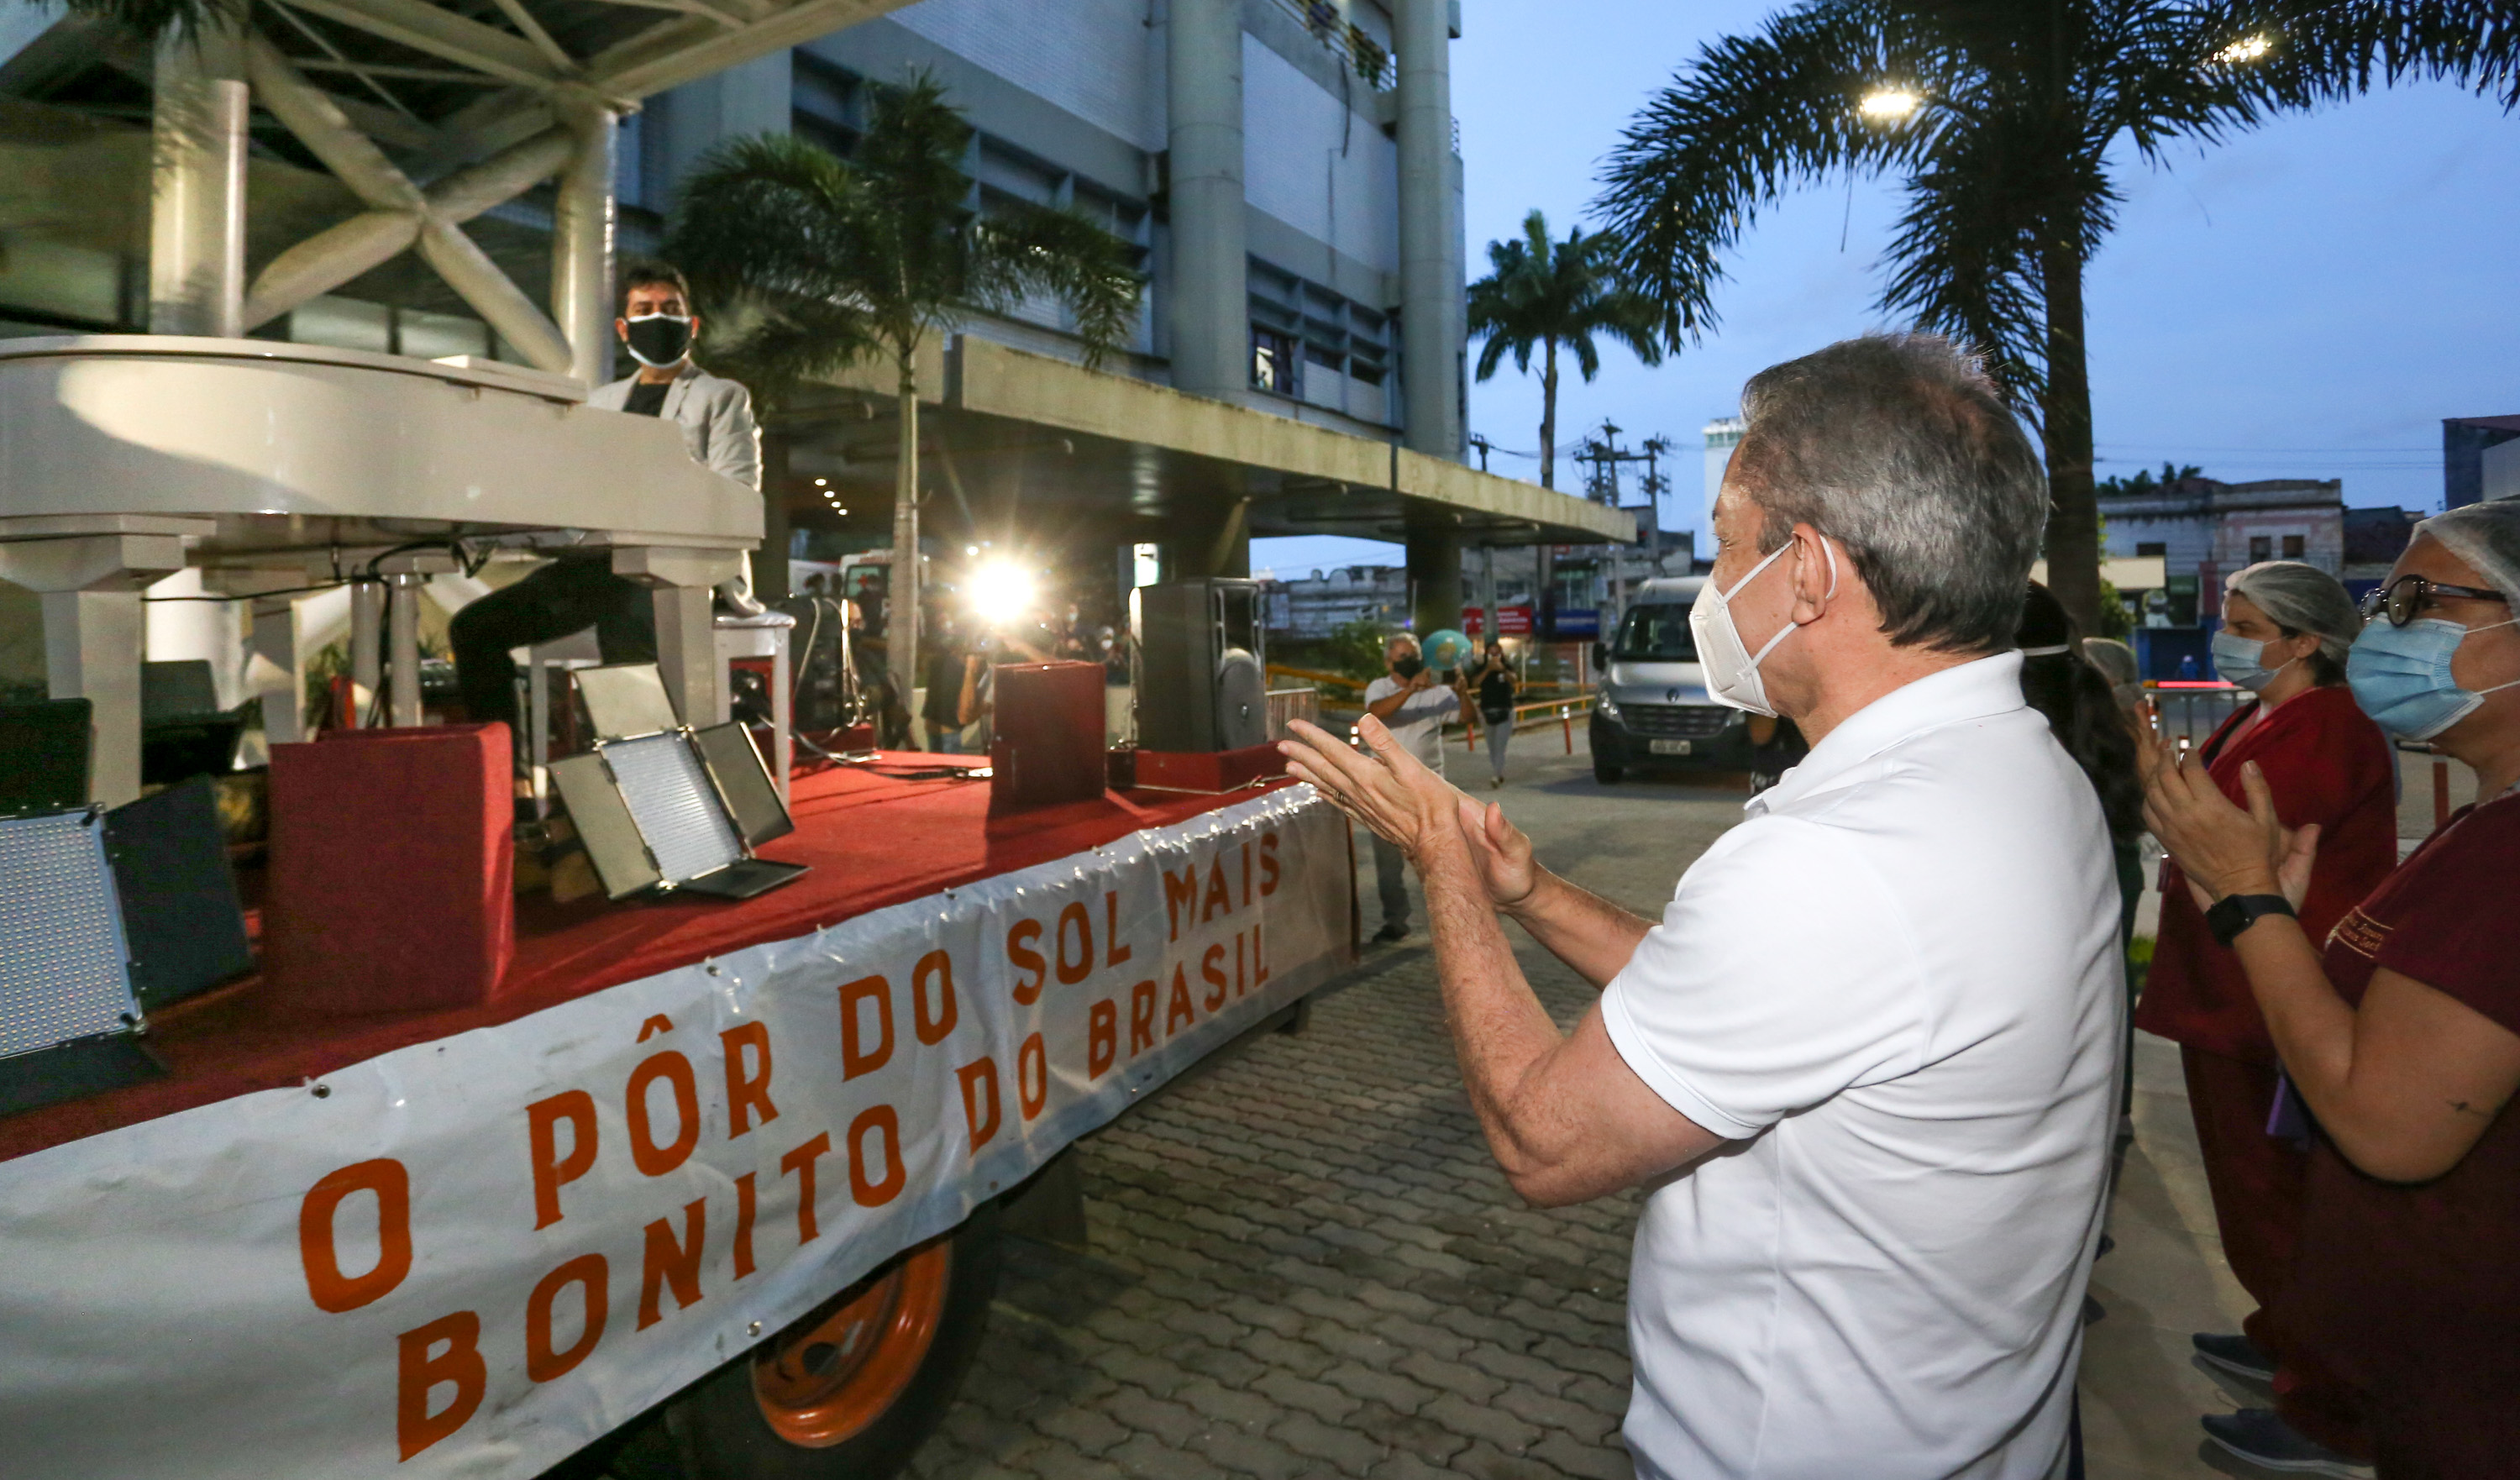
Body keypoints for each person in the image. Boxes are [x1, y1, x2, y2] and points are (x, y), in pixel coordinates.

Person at [1281, 333, 2120, 1478]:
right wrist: (1524, 891)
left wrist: (1441, 864)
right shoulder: (2018, 765)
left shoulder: (1839, 859)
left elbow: (1543, 1137)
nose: (1716, 592)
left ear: (1812, 572)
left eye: (1730, 555)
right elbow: (1737, 998)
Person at [2141, 501, 2520, 1479]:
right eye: (2386, 601)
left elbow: (2386, 1124)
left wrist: (2254, 903)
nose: (2386, 630)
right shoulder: (2484, 828)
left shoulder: (2508, 856)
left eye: (2423, 602)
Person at [2129, 562, 2395, 1469]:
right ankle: (2282, 1337)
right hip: (2231, 983)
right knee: (2253, 1192)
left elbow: (2231, 829)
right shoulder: (2271, 713)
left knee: (2278, 1200)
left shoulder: (2326, 725)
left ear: (2305, 640)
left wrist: (2158, 782)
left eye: (2244, 622)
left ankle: (2324, 1402)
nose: (2224, 634)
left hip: (2270, 989)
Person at [451, 262, 763, 734]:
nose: (658, 318)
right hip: (597, 567)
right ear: (624, 328)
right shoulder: (599, 404)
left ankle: (646, 771)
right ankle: (507, 780)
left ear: (692, 325)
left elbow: (737, 491)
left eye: (670, 309)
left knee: (628, 621)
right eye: (644, 309)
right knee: (474, 628)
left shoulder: (721, 397)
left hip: (684, 567)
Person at [1358, 633, 1467, 943]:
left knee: (1437, 863)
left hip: (1429, 794)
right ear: (1388, 661)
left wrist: (1464, 693)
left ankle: (1451, 923)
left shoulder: (1437, 693)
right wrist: (1409, 689)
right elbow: (1377, 712)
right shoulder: (1380, 687)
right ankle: (1396, 921)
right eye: (1403, 656)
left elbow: (1468, 717)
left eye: (1414, 655)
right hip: (1386, 792)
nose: (1410, 661)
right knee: (1388, 867)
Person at [1472, 639, 1520, 789]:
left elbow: (1514, 679)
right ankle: (1498, 771)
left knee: (1500, 745)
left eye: (1496, 652)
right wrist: (1488, 670)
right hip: (1486, 711)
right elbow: (1475, 683)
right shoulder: (1481, 668)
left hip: (1505, 710)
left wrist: (1502, 670)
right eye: (1490, 652)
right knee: (1491, 746)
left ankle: (1496, 774)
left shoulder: (1506, 667)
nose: (1494, 655)